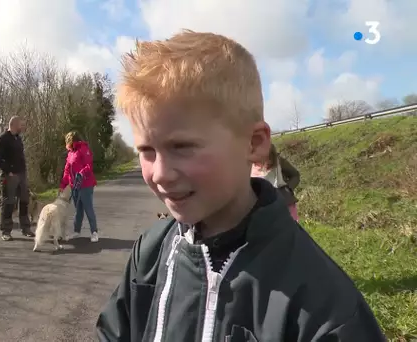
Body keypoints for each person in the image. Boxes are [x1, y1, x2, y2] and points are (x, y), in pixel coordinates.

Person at [95, 30, 385, 341]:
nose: (161, 174)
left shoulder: (322, 305)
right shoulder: (150, 254)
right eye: (147, 151)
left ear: (254, 143)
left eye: (182, 146)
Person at [0, 116, 35, 241]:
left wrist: (23, 171)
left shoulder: (18, 138)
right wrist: (8, 171)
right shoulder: (2, 139)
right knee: (8, 202)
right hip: (9, 175)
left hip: (21, 174)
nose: (22, 127)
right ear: (14, 125)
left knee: (24, 201)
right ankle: (6, 231)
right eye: (20, 125)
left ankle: (26, 228)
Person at [60, 131, 99, 243]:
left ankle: (94, 232)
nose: (66, 143)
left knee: (88, 208)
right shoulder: (70, 153)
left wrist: (82, 173)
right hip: (74, 185)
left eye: (68, 141)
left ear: (72, 140)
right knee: (78, 209)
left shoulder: (83, 149)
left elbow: (89, 165)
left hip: (85, 184)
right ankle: (77, 231)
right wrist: (63, 184)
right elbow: (67, 170)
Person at [251, 143, 301, 221]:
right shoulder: (247, 166)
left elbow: (295, 175)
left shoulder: (279, 162)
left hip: (285, 204)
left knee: (289, 230)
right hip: (261, 209)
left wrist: (288, 188)